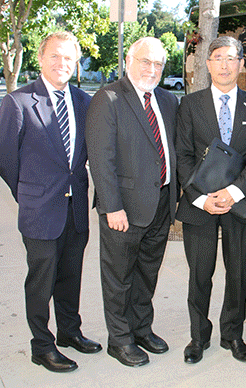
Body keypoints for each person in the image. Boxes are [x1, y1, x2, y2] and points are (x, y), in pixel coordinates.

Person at [0, 31, 101, 373]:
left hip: (76, 209)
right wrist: (28, 192)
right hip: (40, 210)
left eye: (68, 58)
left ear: (76, 63)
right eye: (55, 55)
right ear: (40, 58)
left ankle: (69, 332)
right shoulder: (19, 102)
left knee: (71, 275)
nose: (61, 63)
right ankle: (42, 345)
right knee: (41, 280)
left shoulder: (85, 101)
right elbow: (3, 156)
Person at [85, 37, 178, 368]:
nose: (152, 69)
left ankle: (141, 329)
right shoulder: (108, 98)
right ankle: (120, 339)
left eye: (158, 64)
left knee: (147, 274)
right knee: (118, 278)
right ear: (128, 60)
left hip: (161, 203)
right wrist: (112, 207)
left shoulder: (168, 100)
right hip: (123, 209)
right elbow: (101, 159)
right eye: (145, 61)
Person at [176, 36, 246, 364]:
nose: (225, 65)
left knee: (238, 274)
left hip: (238, 205)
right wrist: (201, 198)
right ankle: (198, 337)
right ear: (208, 63)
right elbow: (183, 155)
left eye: (231, 58)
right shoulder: (190, 105)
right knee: (200, 275)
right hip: (200, 205)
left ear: (241, 64)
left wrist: (234, 192)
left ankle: (233, 335)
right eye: (218, 58)